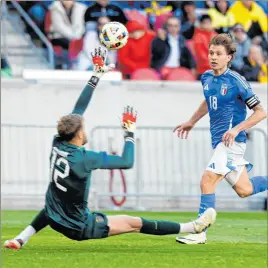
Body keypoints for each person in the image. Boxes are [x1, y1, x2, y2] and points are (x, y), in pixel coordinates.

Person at [3, 47, 216, 250]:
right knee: (135, 223)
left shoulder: (57, 142)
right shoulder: (85, 158)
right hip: (79, 226)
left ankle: (21, 238)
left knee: (53, 203)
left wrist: (96, 76)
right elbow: (126, 162)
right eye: (84, 128)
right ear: (78, 134)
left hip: (55, 217)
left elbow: (78, 109)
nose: (85, 128)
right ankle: (193, 227)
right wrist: (129, 132)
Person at [173, 34, 267, 244]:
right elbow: (208, 101)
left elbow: (261, 112)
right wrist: (191, 121)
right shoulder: (206, 77)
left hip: (232, 143)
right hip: (219, 142)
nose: (213, 57)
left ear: (229, 57)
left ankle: (199, 232)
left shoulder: (237, 81)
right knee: (245, 190)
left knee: (207, 180)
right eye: (211, 53)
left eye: (218, 54)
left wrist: (236, 129)